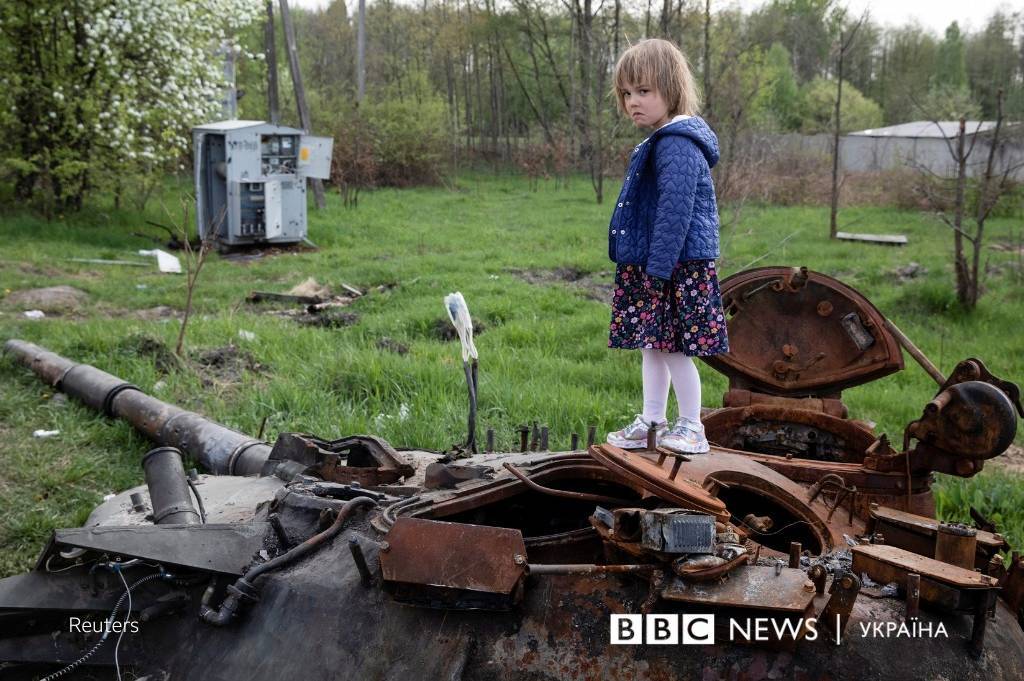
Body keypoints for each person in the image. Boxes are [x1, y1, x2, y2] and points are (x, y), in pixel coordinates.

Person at [605, 38, 729, 454]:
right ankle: (652, 420)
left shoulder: (677, 144)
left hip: (673, 265)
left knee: (674, 348)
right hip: (656, 263)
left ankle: (693, 426)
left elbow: (675, 214)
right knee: (652, 344)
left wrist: (658, 272)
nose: (632, 102)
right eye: (626, 93)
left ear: (671, 90)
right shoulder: (662, 139)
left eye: (643, 91)